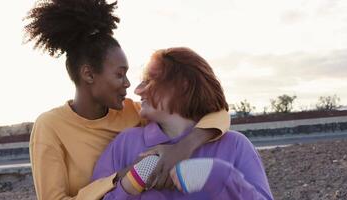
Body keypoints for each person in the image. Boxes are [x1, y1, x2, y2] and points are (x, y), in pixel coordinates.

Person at [24, 1, 229, 199]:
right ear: (89, 75)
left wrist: (184, 147)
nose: (128, 84)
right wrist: (121, 177)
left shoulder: (132, 112)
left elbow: (216, 112)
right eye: (119, 74)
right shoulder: (50, 126)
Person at [92, 47, 274, 200]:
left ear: (182, 85)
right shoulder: (126, 143)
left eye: (148, 81)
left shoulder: (235, 145)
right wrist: (130, 184)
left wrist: (219, 175)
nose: (138, 90)